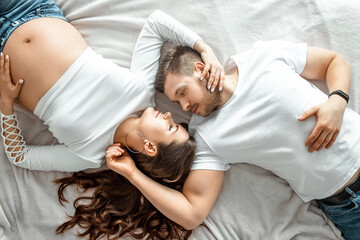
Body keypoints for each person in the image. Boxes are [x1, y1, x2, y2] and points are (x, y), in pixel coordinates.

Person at [0, 0, 223, 238]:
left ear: (149, 147)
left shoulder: (89, 154)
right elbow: (156, 24)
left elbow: (20, 155)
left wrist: (6, 103)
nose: (169, 114)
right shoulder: (141, 92)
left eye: (171, 127)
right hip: (32, 10)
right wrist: (204, 49)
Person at [106, 41, 360, 240]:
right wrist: (132, 174)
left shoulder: (262, 57)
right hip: (348, 205)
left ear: (201, 70)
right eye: (177, 102)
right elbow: (192, 213)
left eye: (182, 92)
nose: (183, 106)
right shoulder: (207, 136)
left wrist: (337, 100)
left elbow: (333, 61)